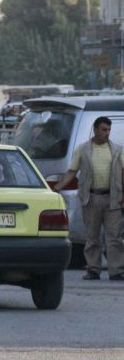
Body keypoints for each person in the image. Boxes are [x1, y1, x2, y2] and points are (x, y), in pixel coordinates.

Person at [55, 116, 124, 280]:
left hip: (112, 198)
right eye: (103, 130)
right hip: (91, 198)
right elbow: (71, 172)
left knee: (114, 237)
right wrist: (57, 188)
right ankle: (93, 269)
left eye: (108, 130)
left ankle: (116, 270)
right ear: (95, 129)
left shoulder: (117, 150)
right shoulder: (83, 149)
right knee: (92, 237)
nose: (107, 133)